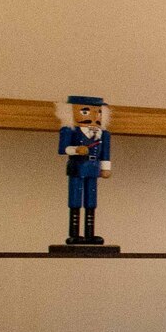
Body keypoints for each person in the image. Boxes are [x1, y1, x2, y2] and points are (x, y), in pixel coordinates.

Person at [55, 95, 114, 249]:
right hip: (77, 167)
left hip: (93, 169)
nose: (95, 116)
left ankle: (90, 233)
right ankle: (74, 233)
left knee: (91, 199)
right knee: (75, 198)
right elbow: (63, 149)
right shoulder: (70, 130)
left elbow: (105, 153)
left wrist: (106, 168)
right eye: (86, 112)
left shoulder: (103, 134)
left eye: (98, 112)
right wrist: (76, 150)